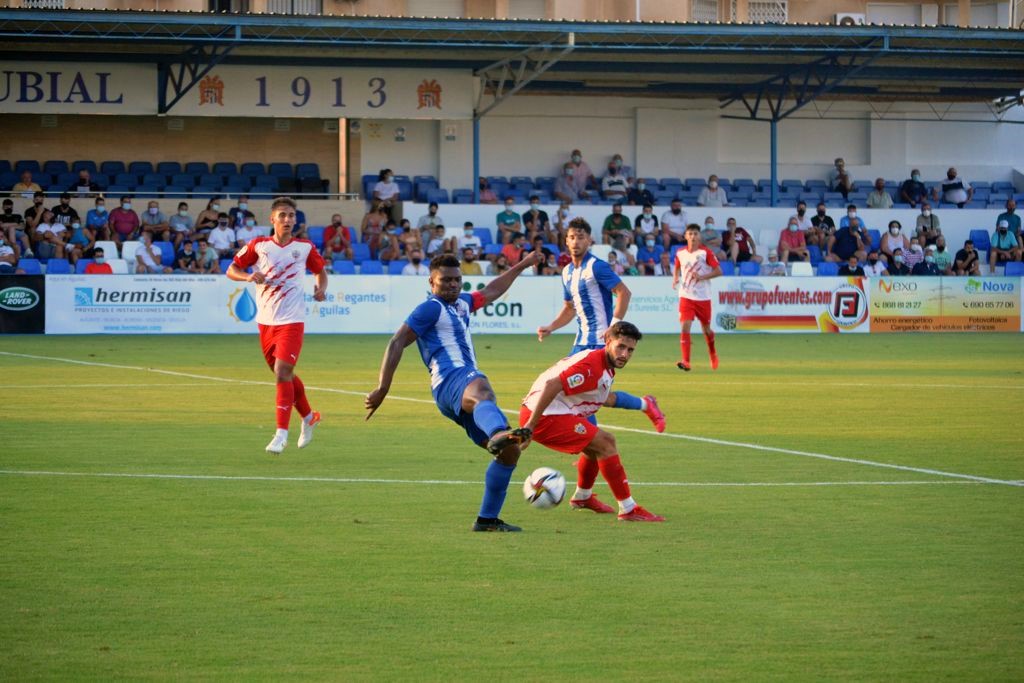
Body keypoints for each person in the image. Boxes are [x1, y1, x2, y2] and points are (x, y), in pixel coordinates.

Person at [365, 251, 544, 532]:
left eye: (457, 280)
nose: (452, 285)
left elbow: (493, 290)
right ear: (432, 282)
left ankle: (487, 520)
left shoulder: (462, 304)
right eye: (445, 280)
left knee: (510, 453)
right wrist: (383, 388)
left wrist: (523, 264)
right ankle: (498, 431)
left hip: (454, 395)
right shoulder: (430, 308)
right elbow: (397, 341)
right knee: (483, 390)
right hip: (452, 379)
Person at [520, 321, 665, 522]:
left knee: (594, 446)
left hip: (554, 412)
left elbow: (607, 399)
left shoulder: (603, 364)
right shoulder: (591, 367)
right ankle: (628, 508)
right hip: (544, 416)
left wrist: (643, 406)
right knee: (606, 442)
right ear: (607, 341)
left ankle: (582, 497)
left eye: (630, 350)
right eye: (620, 347)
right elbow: (553, 384)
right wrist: (530, 426)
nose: (625, 354)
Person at [536, 217, 665, 432]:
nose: (576, 242)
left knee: (590, 396)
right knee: (579, 395)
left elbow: (624, 292)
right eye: (571, 237)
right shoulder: (567, 272)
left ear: (589, 241)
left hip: (600, 344)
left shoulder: (597, 267)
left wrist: (613, 328)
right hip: (580, 344)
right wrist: (552, 326)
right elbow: (569, 308)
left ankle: (641, 407)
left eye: (581, 237)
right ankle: (641, 407)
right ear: (565, 241)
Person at [227, 196, 328, 454]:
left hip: (292, 321)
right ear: (272, 219)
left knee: (282, 372)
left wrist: (321, 288)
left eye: (291, 216)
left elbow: (320, 271)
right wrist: (249, 275)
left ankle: (280, 434)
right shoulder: (258, 245)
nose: (287, 220)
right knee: (285, 375)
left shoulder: (304, 247)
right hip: (266, 323)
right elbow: (232, 269)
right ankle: (309, 417)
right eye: (282, 215)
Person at [673, 223, 723, 371]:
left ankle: (712, 353)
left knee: (706, 329)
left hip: (703, 298)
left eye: (696, 234)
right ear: (686, 236)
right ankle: (686, 361)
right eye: (691, 234)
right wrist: (675, 278)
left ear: (699, 236)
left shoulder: (705, 252)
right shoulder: (680, 252)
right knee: (685, 326)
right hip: (686, 296)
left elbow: (719, 271)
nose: (693, 236)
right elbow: (677, 266)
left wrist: (702, 277)